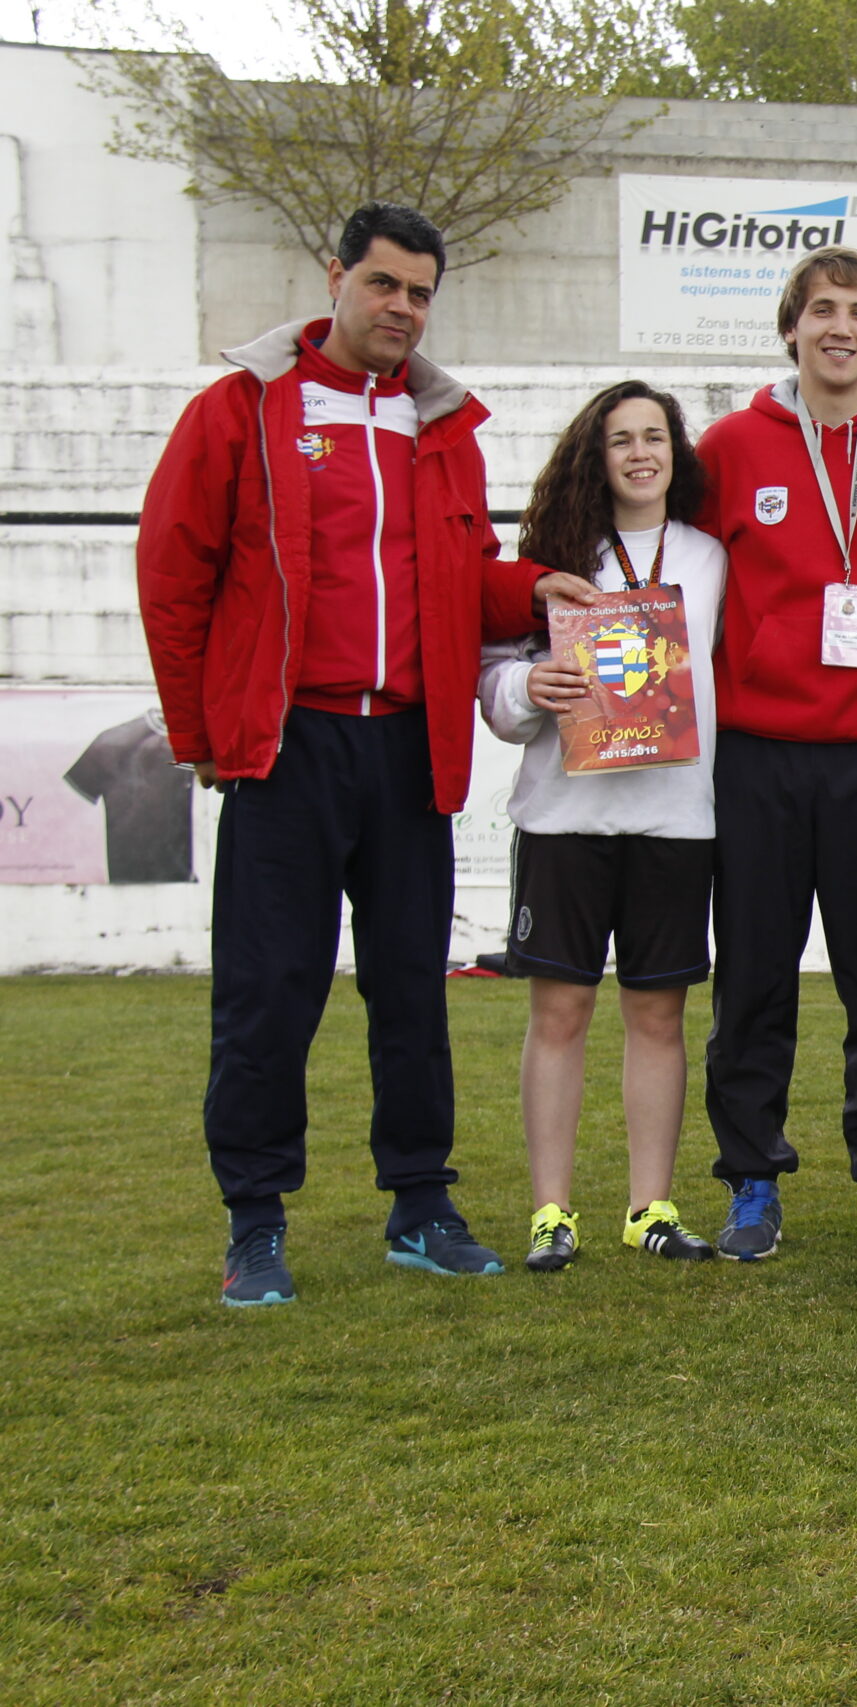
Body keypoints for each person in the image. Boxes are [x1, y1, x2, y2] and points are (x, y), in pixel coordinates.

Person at [136, 202, 596, 1306]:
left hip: (404, 748)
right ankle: (255, 1221)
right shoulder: (241, 409)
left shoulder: (439, 424)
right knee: (268, 993)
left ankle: (421, 1205)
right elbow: (173, 575)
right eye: (384, 285)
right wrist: (205, 737)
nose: (402, 309)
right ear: (335, 276)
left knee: (410, 992)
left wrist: (529, 584)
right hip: (285, 748)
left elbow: (459, 574)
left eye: (421, 293)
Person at [691, 245, 857, 1261]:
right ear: (789, 328)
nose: (840, 327)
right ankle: (751, 1179)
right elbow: (668, 568)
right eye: (821, 310)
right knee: (750, 979)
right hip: (756, 754)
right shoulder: (728, 447)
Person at [478, 381, 726, 1270]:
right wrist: (527, 691)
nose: (638, 453)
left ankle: (649, 1207)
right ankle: (551, 1212)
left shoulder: (709, 557)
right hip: (565, 815)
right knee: (561, 1010)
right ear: (597, 452)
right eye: (620, 439)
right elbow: (497, 688)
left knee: (658, 1014)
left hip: (675, 818)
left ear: (676, 451)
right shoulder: (552, 556)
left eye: (653, 436)